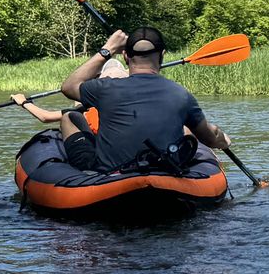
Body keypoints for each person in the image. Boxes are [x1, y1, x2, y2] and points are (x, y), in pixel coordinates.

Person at [55, 27, 231, 172]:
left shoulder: (105, 88)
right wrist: (223, 140)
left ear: (125, 56)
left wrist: (108, 49)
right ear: (162, 54)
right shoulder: (181, 94)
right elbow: (210, 137)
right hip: (164, 175)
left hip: (111, 176)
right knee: (186, 130)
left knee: (70, 116)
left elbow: (68, 87)